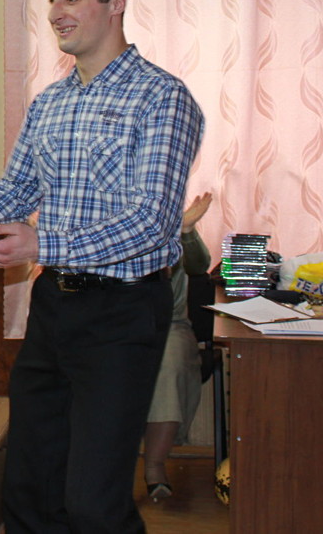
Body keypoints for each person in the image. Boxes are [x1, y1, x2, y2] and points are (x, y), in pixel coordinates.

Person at [0, 0, 204, 534]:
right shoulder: (51, 101)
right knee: (30, 490)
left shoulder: (163, 98)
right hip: (54, 308)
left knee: (94, 503)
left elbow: (151, 222)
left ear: (116, 5)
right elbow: (16, 191)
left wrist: (41, 246)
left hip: (123, 313)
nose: (55, 11)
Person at [142, 191, 212, 502]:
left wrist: (185, 230)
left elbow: (199, 266)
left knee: (168, 363)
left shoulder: (169, 220)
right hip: (110, 325)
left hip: (167, 325)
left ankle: (155, 465)